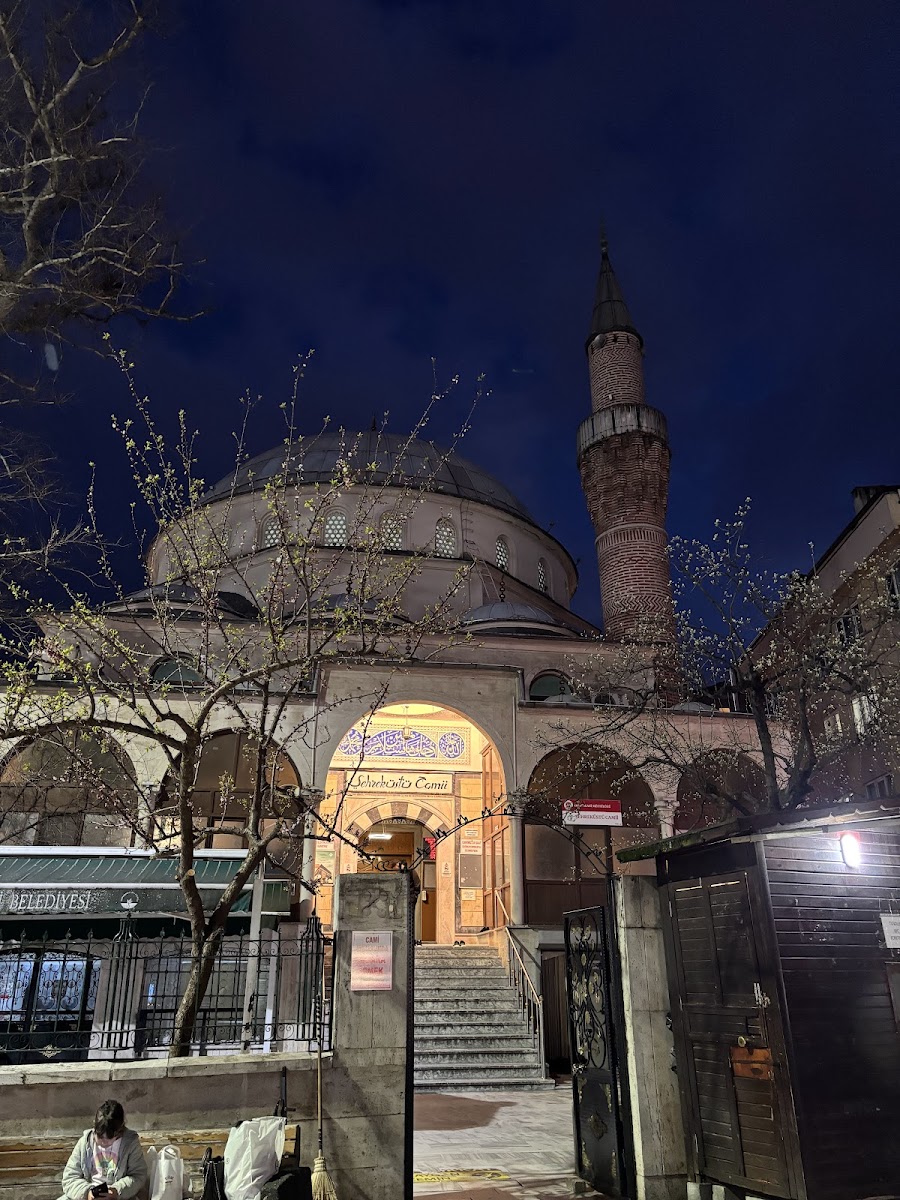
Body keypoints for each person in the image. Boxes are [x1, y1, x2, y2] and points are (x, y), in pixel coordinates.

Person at [61, 1100, 149, 1200]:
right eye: (99, 1137)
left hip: (118, 1196)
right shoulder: (85, 1142)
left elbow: (138, 1176)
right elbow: (69, 1178)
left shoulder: (130, 1143)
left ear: (118, 1132)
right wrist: (87, 1193)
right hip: (89, 1194)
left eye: (108, 1139)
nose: (103, 1142)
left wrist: (117, 1190)